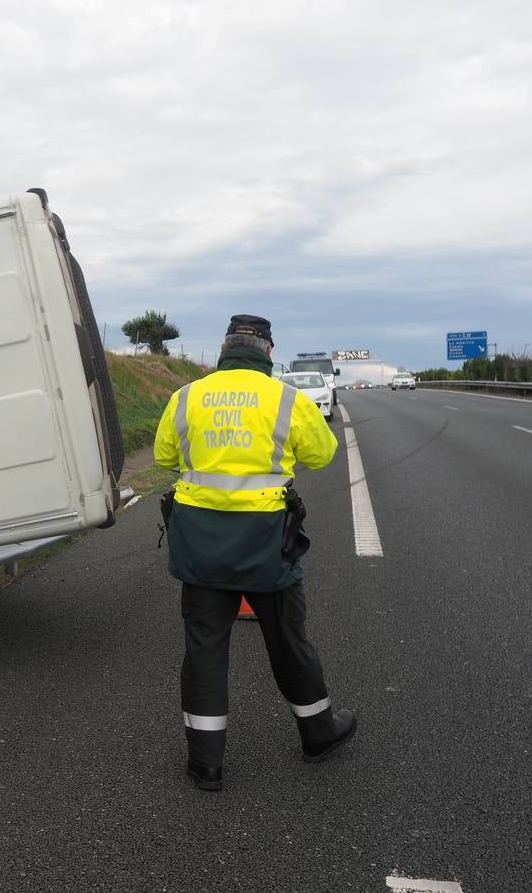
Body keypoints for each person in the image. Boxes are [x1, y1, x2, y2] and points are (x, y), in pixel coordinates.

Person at [153, 314, 355, 791]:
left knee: (203, 650)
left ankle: (206, 764)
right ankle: (318, 736)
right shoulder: (285, 398)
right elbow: (323, 453)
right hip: (269, 543)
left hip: (200, 546)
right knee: (288, 640)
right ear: (267, 352)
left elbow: (164, 457)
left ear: (224, 350)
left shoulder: (187, 396)